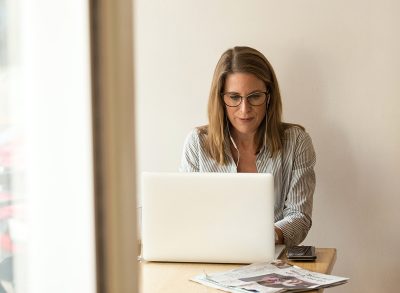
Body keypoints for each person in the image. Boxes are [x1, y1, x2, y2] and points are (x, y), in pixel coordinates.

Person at [179, 46, 316, 247]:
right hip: (210, 256)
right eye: (234, 97)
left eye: (254, 96)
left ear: (269, 96)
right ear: (221, 98)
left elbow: (299, 217)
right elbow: (187, 215)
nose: (244, 109)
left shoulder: (296, 142)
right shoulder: (197, 143)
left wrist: (265, 236)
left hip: (272, 260)